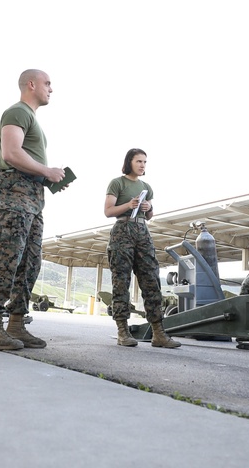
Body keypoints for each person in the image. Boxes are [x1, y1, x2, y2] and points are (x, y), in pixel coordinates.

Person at [0, 70, 66, 351]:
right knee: (7, 256)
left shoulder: (32, 119)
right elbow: (11, 153)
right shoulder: (18, 112)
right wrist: (47, 171)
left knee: (30, 261)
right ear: (31, 84)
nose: (51, 88)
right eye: (47, 83)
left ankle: (16, 324)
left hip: (31, 195)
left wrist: (45, 177)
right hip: (13, 190)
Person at [104, 148, 180, 349]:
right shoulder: (117, 183)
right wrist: (129, 204)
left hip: (142, 231)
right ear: (129, 162)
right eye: (139, 161)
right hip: (122, 229)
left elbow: (149, 216)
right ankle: (122, 331)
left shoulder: (146, 186)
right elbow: (108, 211)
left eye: (145, 162)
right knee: (121, 280)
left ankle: (158, 333)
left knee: (151, 279)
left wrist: (148, 208)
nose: (142, 165)